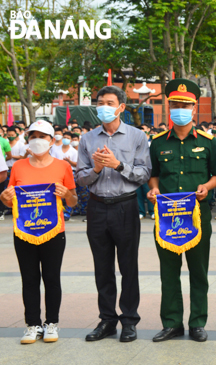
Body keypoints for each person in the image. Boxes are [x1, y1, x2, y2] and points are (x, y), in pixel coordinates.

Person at [146, 79, 216, 343]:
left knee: (198, 270)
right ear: (169, 108)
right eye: (176, 104)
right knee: (169, 271)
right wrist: (154, 189)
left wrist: (207, 186)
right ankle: (171, 323)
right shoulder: (157, 143)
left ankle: (198, 322)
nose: (180, 108)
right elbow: (153, 175)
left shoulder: (208, 141)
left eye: (186, 105)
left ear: (194, 109)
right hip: (167, 214)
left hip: (198, 214)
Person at [76, 85, 152, 343]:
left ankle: (129, 320)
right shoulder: (87, 139)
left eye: (110, 102)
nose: (104, 107)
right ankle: (107, 319)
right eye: (100, 102)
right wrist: (96, 168)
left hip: (125, 205)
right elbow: (81, 178)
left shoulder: (136, 136)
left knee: (128, 265)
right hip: (97, 206)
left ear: (121, 106)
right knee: (102, 266)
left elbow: (144, 174)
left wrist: (118, 165)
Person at [0, 121, 76, 344]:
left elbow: (73, 201)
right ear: (27, 139)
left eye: (43, 136)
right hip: (24, 232)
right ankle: (32, 324)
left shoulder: (63, 167)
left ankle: (51, 323)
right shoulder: (19, 167)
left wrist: (65, 195)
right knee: (29, 279)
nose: (38, 140)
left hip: (54, 232)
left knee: (52, 278)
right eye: (33, 135)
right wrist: (4, 199)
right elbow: (10, 199)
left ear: (52, 140)